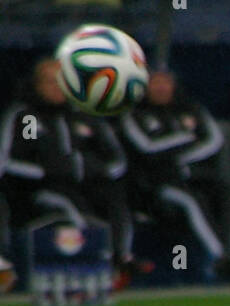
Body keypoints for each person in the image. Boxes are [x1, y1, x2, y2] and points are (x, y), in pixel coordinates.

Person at [0, 58, 145, 283]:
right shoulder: (26, 117)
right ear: (37, 85)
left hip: (87, 184)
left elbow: (116, 159)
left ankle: (122, 259)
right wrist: (47, 171)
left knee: (116, 199)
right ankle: (97, 264)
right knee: (65, 202)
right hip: (36, 191)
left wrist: (92, 169)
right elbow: (7, 161)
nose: (56, 87)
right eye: (49, 82)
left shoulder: (85, 115)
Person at [120, 70, 230, 285]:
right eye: (155, 83)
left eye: (165, 83)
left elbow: (214, 141)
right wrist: (184, 139)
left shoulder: (191, 109)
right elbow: (147, 147)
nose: (161, 88)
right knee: (191, 201)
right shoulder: (135, 114)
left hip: (197, 178)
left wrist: (179, 154)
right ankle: (222, 256)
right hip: (158, 184)